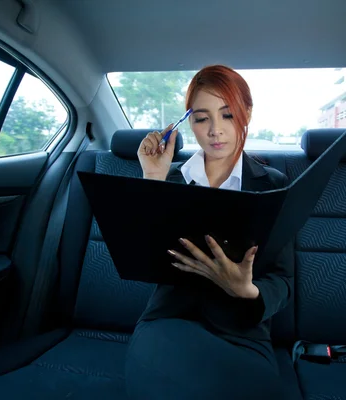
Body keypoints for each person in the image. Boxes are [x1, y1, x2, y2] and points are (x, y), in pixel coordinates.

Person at [124, 65, 295, 399]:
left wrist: (245, 290)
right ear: (189, 123)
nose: (216, 130)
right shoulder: (168, 179)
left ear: (247, 113)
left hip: (242, 333)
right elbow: (140, 258)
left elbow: (283, 280)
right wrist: (153, 182)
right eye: (202, 118)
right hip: (168, 323)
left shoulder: (273, 186)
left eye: (228, 115)